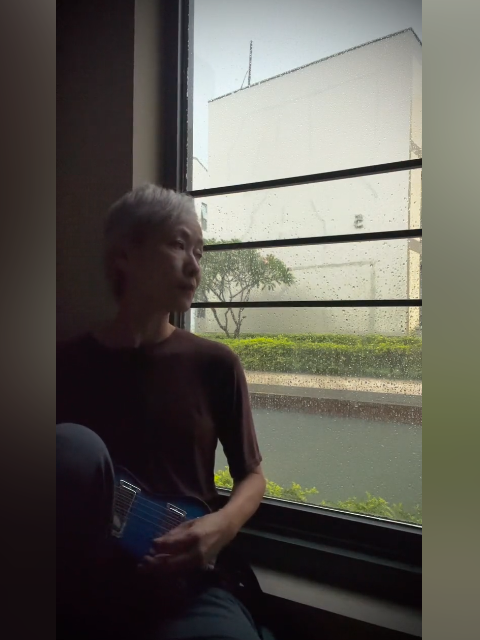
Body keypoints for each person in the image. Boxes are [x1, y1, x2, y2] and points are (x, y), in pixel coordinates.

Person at [57, 184, 267, 640]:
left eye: (199, 252)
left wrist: (220, 526)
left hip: (188, 583)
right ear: (123, 256)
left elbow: (252, 476)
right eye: (178, 244)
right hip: (88, 577)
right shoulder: (64, 365)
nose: (195, 265)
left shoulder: (216, 364)